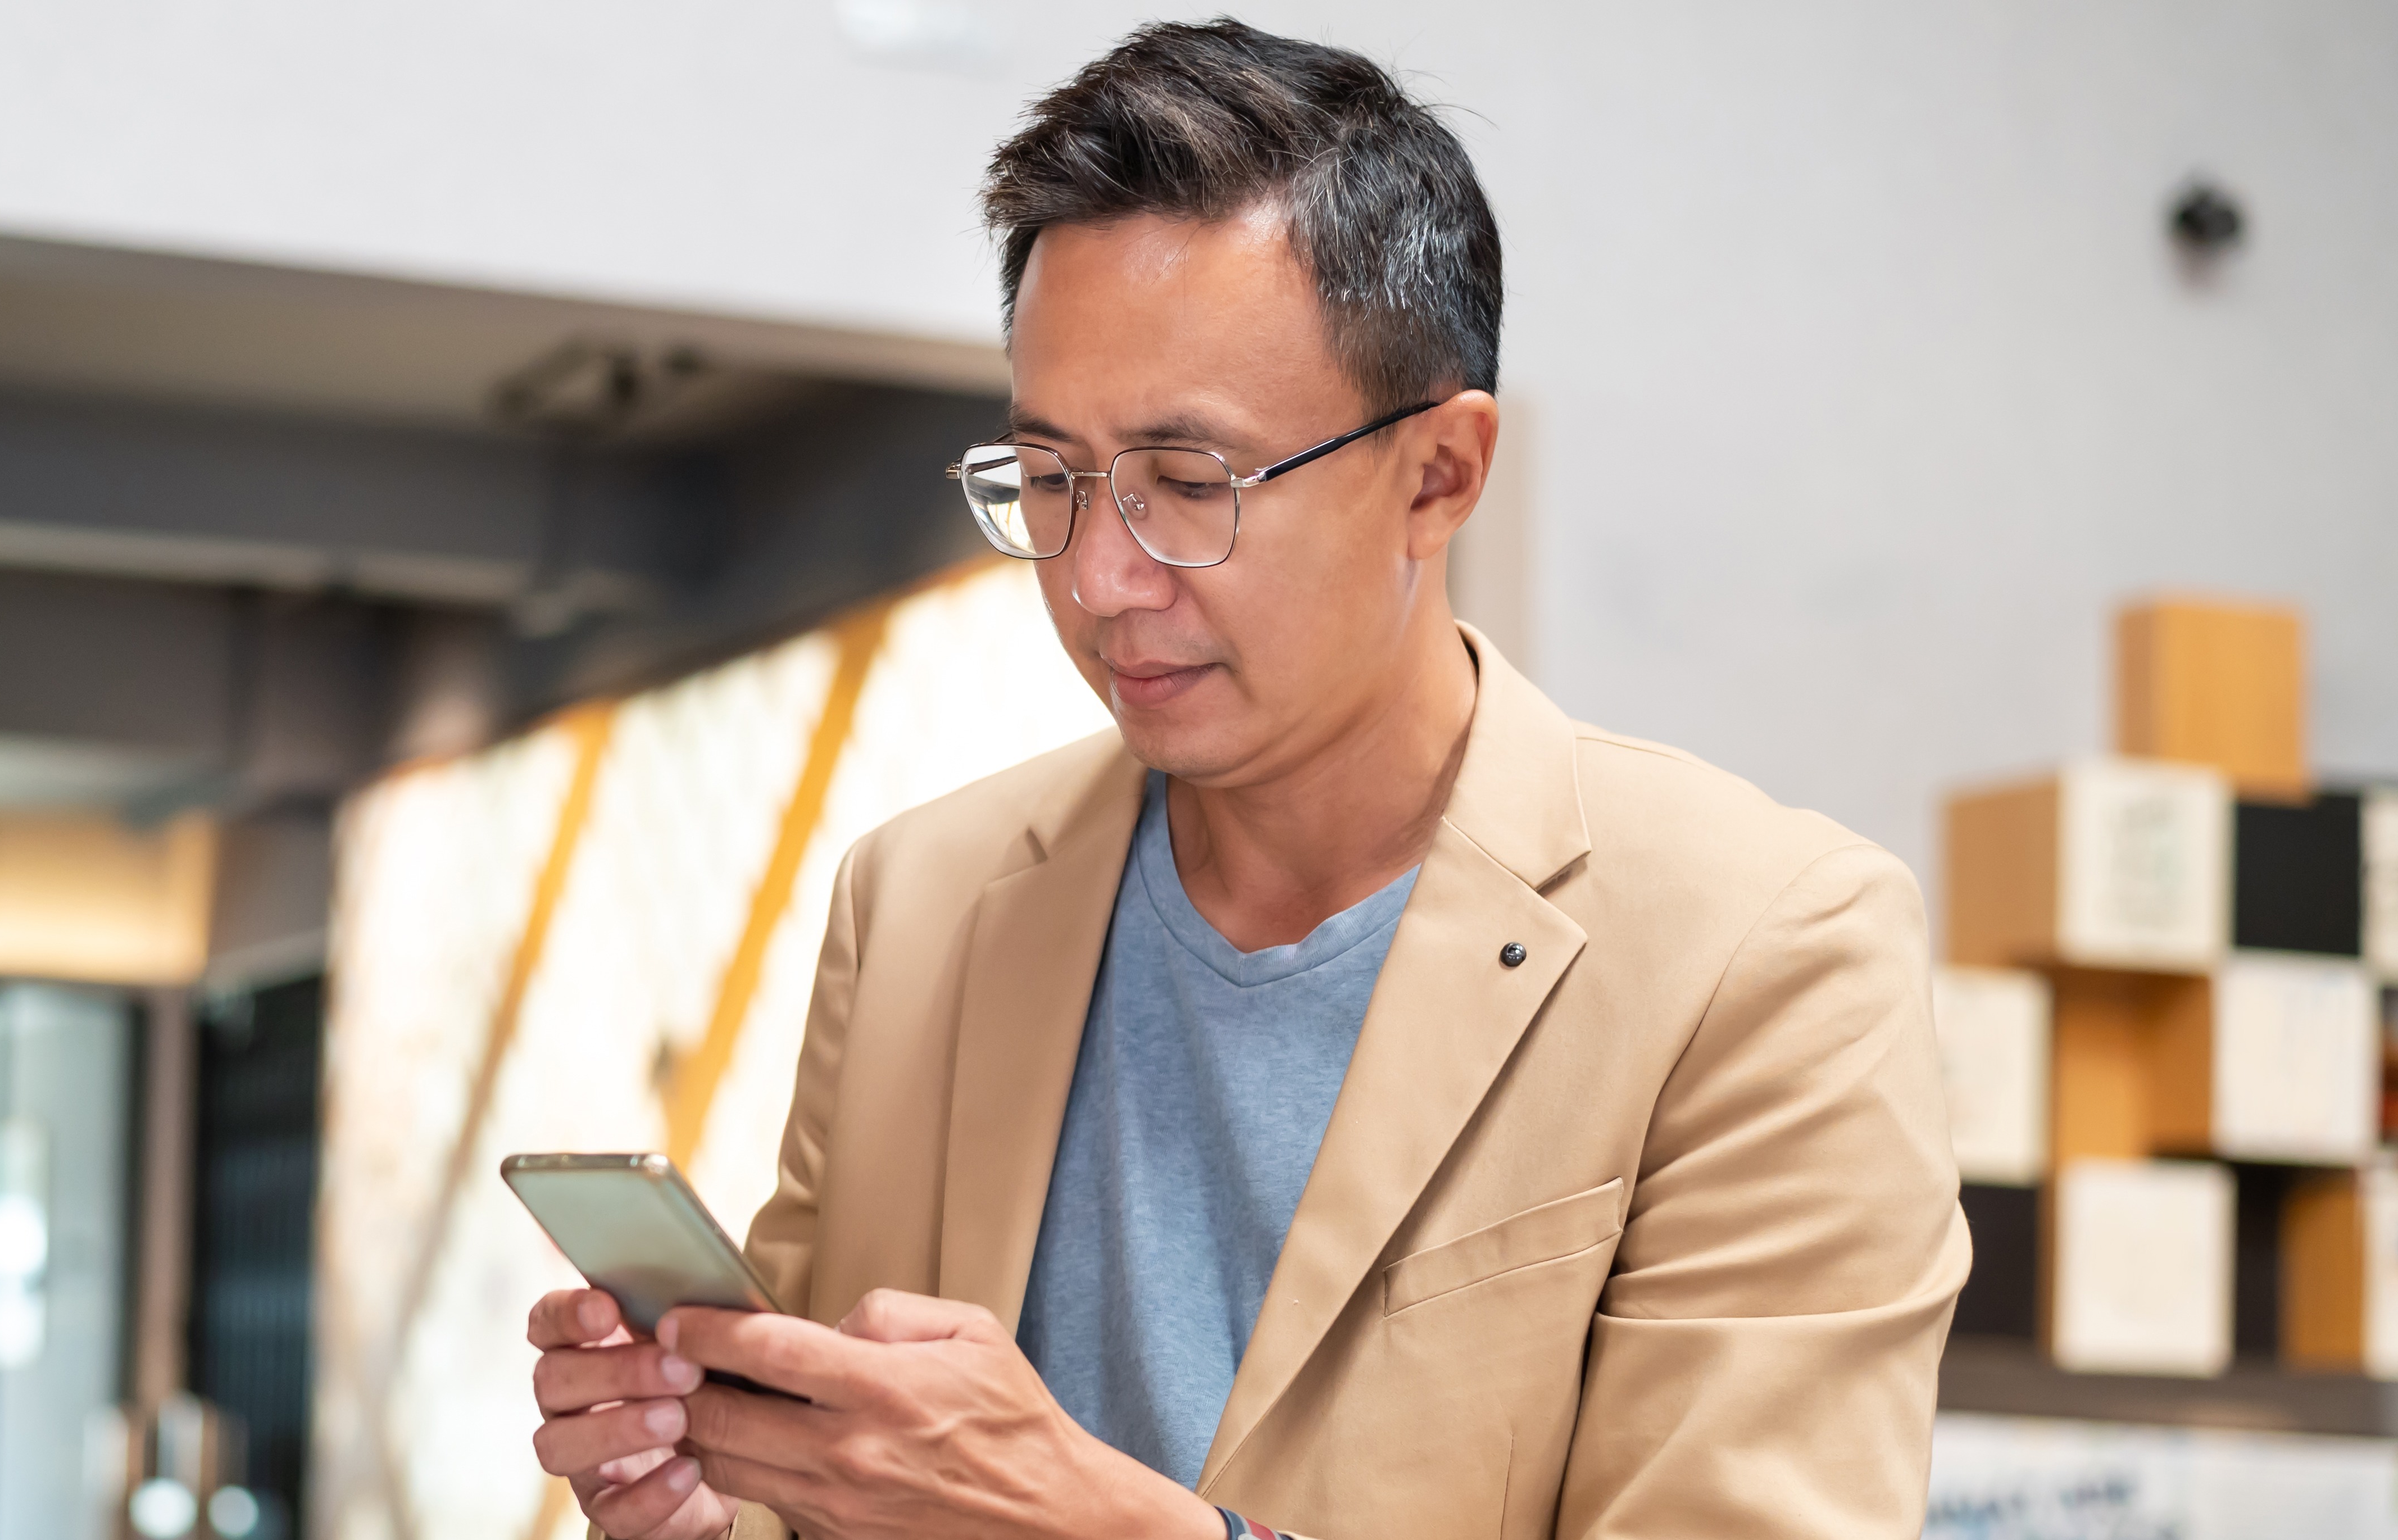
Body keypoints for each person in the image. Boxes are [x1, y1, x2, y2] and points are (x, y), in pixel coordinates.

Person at [526, 20, 1965, 1540]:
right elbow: (841, 1498)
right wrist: (709, 1503)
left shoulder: (1766, 953)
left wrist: (1097, 1524)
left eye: (1189, 484)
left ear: (1440, 475)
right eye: (1052, 478)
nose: (1097, 578)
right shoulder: (923, 901)